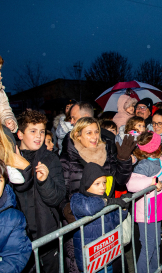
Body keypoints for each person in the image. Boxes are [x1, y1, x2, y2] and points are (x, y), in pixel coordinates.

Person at [60, 116, 134, 273]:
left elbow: (120, 180)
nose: (94, 137)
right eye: (88, 133)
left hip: (107, 221)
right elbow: (62, 192)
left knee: (111, 265)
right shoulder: (68, 159)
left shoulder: (106, 153)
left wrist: (123, 159)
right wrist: (66, 210)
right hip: (81, 225)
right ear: (77, 135)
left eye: (96, 132)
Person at [13, 110, 66, 273]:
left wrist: (45, 182)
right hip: (19, 236)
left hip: (46, 233)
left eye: (42, 131)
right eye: (33, 131)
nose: (39, 136)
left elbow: (57, 198)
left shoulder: (50, 159)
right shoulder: (9, 160)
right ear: (20, 134)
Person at [126, 131, 162, 273]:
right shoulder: (144, 165)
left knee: (155, 244)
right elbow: (131, 184)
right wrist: (151, 181)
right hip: (147, 212)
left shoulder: (159, 159)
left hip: (157, 208)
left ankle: (155, 270)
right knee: (148, 246)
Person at [71, 162, 130, 273]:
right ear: (87, 184)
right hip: (90, 260)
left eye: (104, 182)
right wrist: (108, 201)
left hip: (106, 255)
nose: (103, 187)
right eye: (97, 184)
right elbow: (89, 208)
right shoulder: (78, 198)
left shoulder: (104, 199)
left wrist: (123, 208)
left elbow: (114, 221)